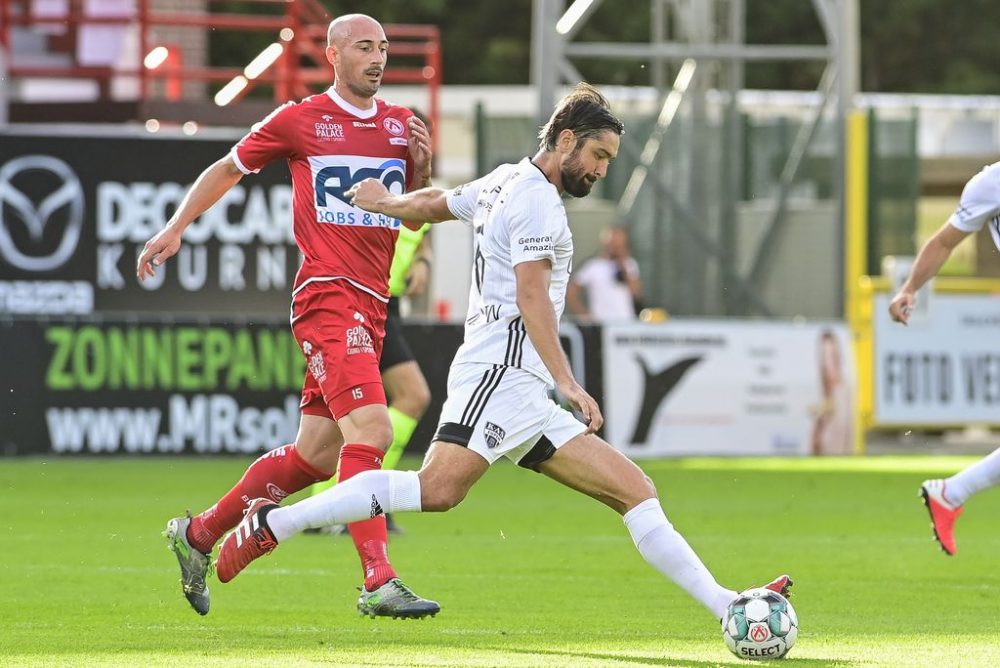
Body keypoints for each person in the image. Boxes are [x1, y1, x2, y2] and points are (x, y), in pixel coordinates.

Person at [214, 83, 792, 621]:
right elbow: (531, 294)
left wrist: (388, 203)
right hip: (500, 374)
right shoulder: (536, 200)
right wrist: (568, 382)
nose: (600, 169)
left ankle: (728, 606)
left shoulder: (503, 181)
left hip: (520, 387)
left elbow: (440, 203)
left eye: (608, 160)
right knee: (436, 490)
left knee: (633, 491)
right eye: (598, 155)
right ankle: (277, 522)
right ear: (565, 139)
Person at [136, 13, 439, 618]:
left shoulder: (404, 124)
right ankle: (378, 579)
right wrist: (175, 228)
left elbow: (410, 218)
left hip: (373, 305)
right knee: (374, 433)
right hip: (328, 296)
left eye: (382, 47)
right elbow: (229, 168)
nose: (376, 57)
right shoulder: (300, 119)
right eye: (362, 47)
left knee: (316, 458)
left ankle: (197, 534)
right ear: (332, 54)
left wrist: (421, 173)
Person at [889, 160, 1000, 556]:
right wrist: (909, 288)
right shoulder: (991, 183)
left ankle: (952, 492)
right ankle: (953, 492)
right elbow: (944, 242)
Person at [306, 224, 434, 534]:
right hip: (357, 298)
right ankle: (359, 501)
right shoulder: (375, 185)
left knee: (347, 410)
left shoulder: (418, 189)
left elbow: (422, 236)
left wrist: (423, 262)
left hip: (383, 303)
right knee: (408, 396)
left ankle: (340, 502)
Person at [566, 224, 641, 322]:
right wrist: (584, 315)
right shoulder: (593, 266)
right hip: (602, 324)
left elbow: (636, 293)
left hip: (626, 323)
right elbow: (571, 293)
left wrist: (623, 265)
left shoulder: (630, 264)